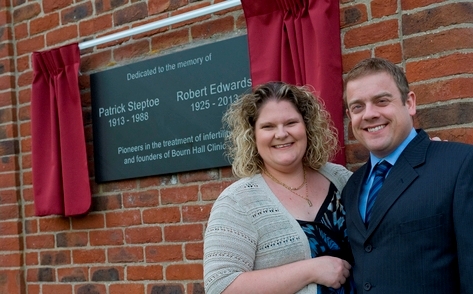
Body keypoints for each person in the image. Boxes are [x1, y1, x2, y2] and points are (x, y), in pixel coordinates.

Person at [203, 81, 355, 294]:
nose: (281, 133)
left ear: (307, 126)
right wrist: (310, 271)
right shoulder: (238, 201)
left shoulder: (340, 178)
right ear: (252, 136)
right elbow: (220, 287)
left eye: (291, 122)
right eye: (268, 127)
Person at [342, 57, 473, 293]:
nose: (369, 114)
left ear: (409, 103)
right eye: (357, 106)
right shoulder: (351, 186)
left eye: (381, 101)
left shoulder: (460, 165)